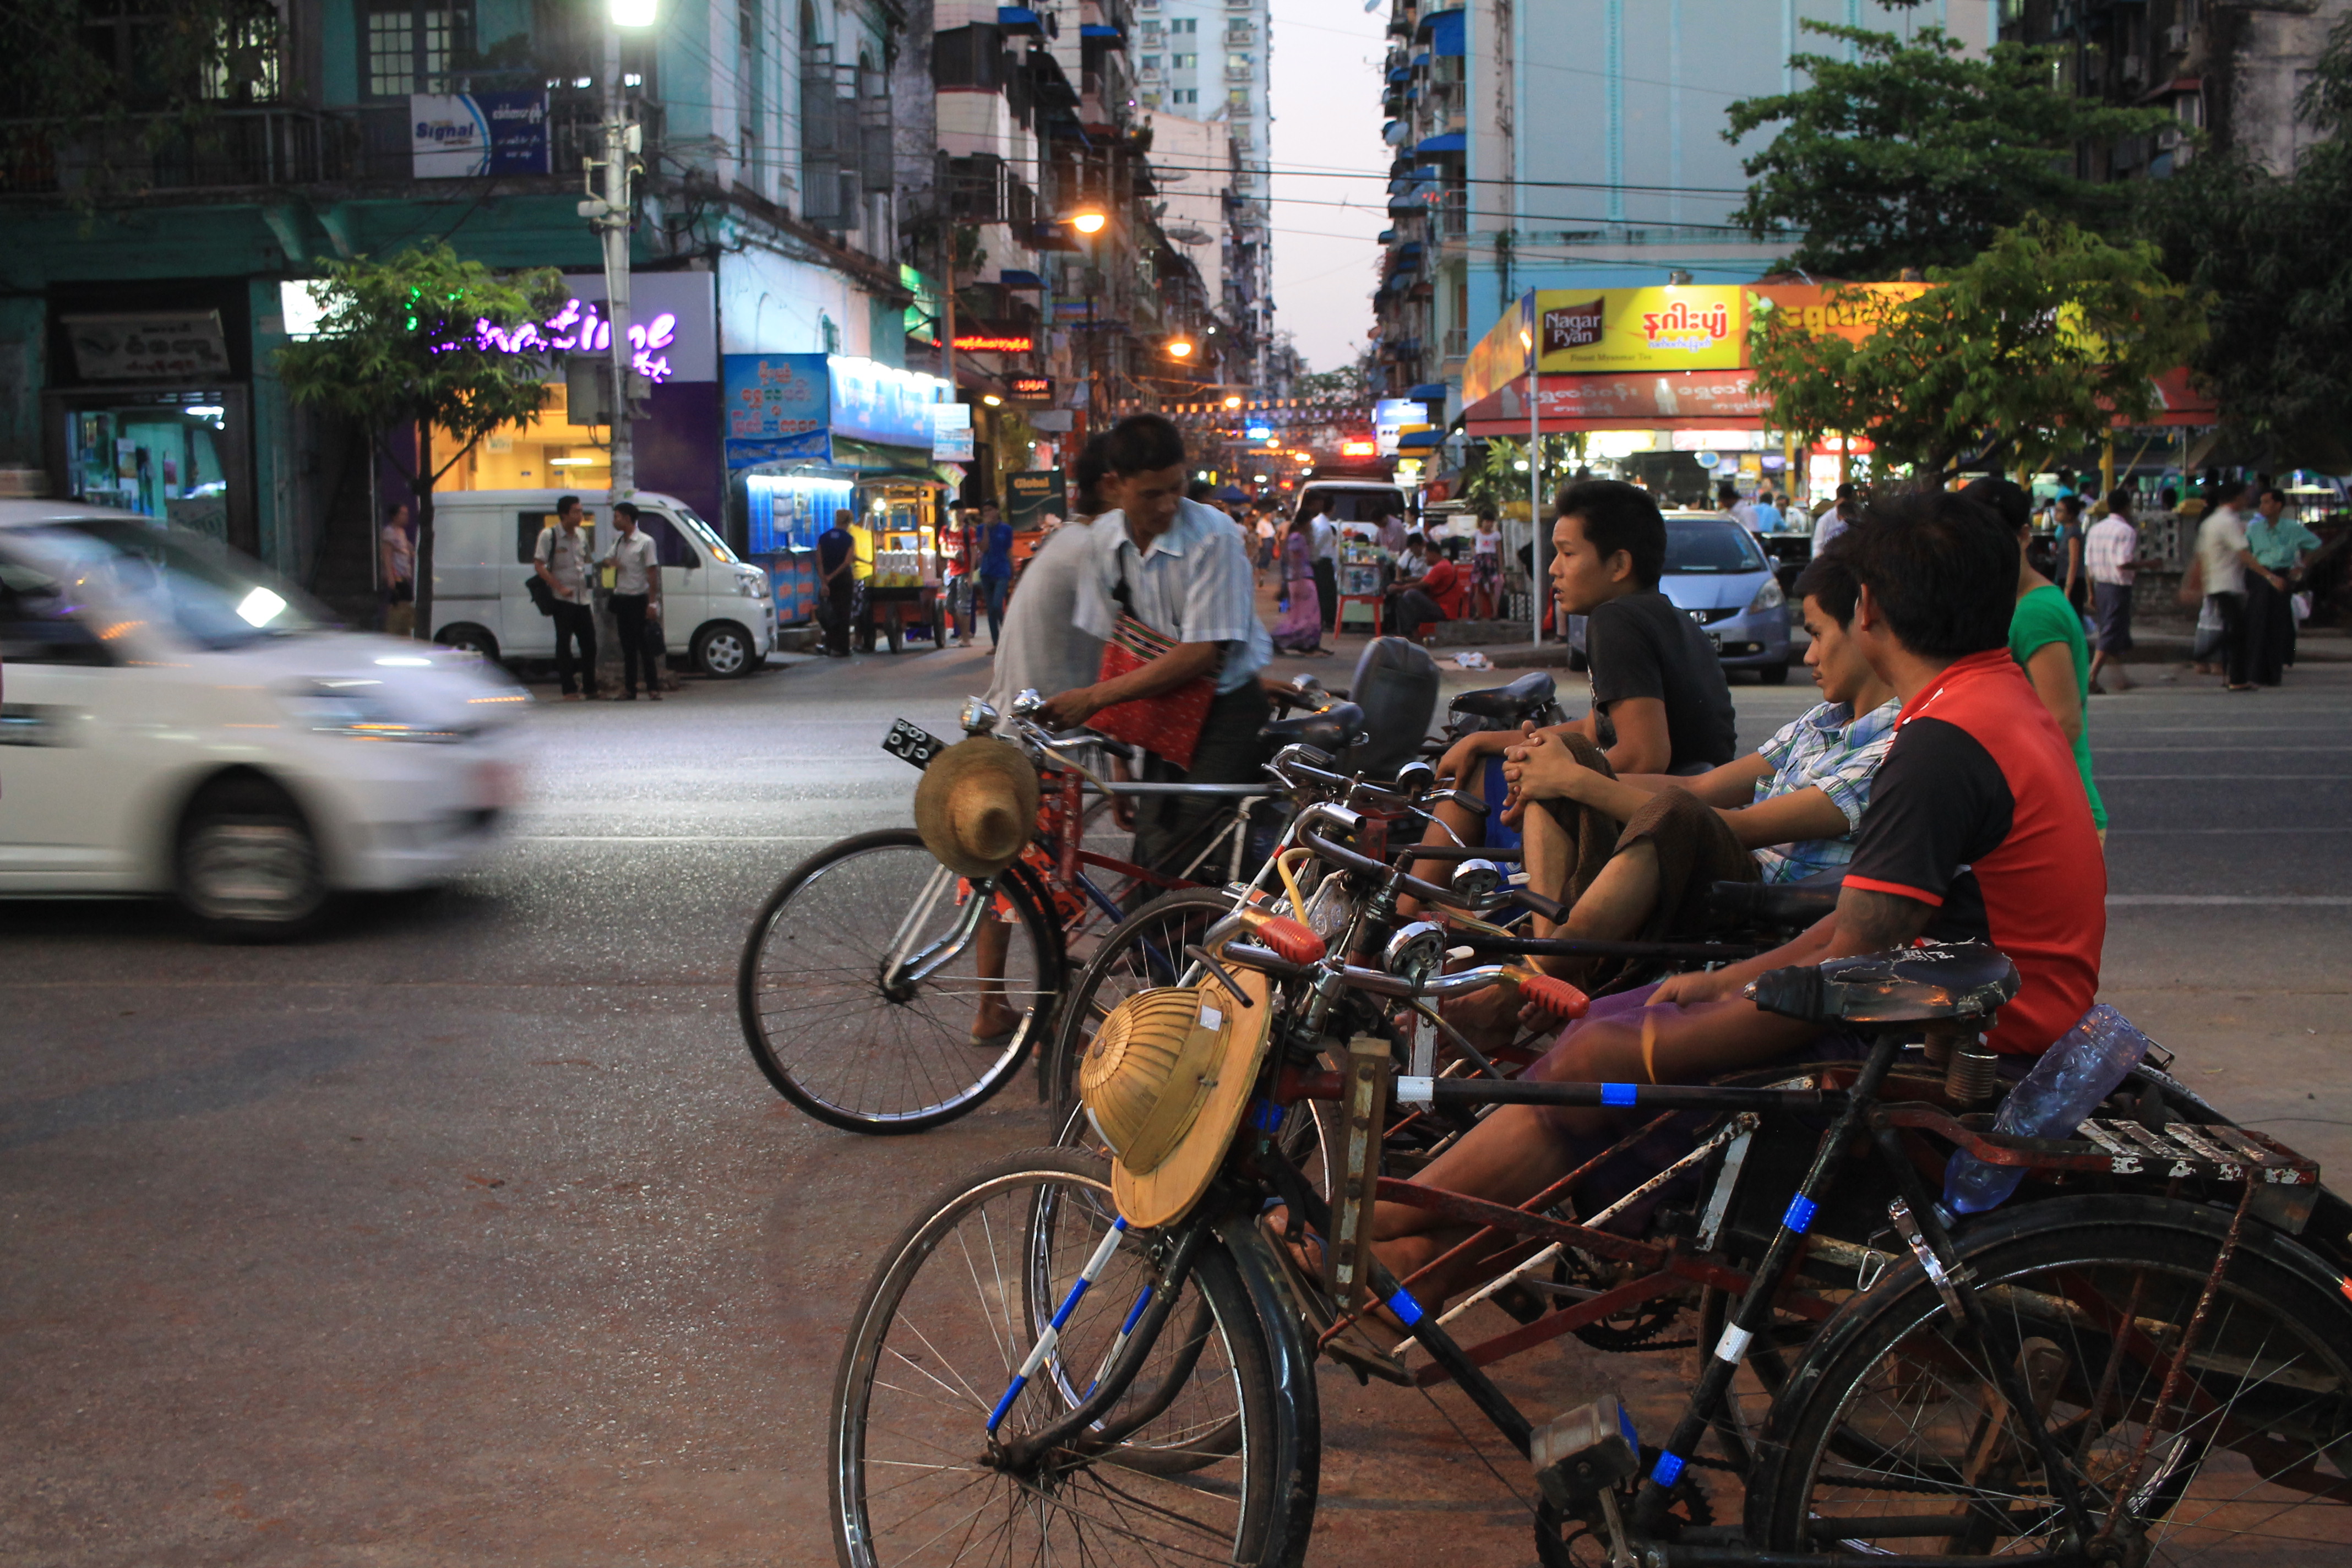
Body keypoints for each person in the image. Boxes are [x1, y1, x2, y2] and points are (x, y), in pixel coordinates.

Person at [1358, 488, 2105, 1312]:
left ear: (1871, 611)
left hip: (1971, 1024)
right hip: (1960, 993)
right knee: (1607, 1030)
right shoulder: (1989, 703)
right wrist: (1717, 986)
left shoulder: (1942, 743)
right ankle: (1414, 1263)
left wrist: (1714, 1002)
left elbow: (1855, 956)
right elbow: (1859, 928)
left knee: (1592, 1057)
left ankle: (1369, 1229)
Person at [1496, 546, 1901, 967]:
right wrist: (1560, 772)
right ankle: (1549, 959)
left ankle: (1544, 969)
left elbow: (1736, 825)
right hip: (1725, 866)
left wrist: (1574, 782)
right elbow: (1704, 786)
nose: (1808, 655)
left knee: (1671, 812)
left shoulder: (1891, 749)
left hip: (1764, 899)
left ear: (1865, 626)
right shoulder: (1821, 721)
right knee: (1567, 754)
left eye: (1817, 635)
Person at [1403, 480, 1737, 906]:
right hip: (1685, 807)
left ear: (1618, 565)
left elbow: (1644, 755)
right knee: (1486, 757)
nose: (1554, 569)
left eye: (1568, 552)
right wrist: (1482, 739)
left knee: (1471, 780)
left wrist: (1552, 779)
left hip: (1652, 815)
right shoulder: (1672, 617)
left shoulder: (1615, 621)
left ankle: (1395, 922)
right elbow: (1602, 732)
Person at [1046, 415, 1276, 880]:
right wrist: (1120, 763)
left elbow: (1200, 654)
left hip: (1225, 711)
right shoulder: (1105, 542)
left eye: (1177, 487)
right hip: (1160, 707)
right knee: (1152, 842)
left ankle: (1179, 948)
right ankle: (1152, 950)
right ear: (1115, 486)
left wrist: (1091, 701)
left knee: (1187, 853)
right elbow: (1116, 653)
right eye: (1152, 494)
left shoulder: (1214, 536)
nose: (1170, 504)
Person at [1972, 477, 2105, 839]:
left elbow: (2064, 722)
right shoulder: (2015, 604)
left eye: (1995, 539)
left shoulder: (2034, 613)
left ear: (2025, 537)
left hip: (2056, 816)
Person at [2245, 487, 2320, 687]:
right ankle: (2255, 671)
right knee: (2257, 623)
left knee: (2277, 624)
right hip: (2262, 575)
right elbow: (2247, 556)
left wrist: (2301, 566)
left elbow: (2315, 545)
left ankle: (2273, 671)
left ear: (2278, 505)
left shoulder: (2292, 528)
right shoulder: (2254, 528)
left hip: (2281, 574)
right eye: (2261, 502)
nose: (2263, 507)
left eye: (2267, 502)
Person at [2196, 481, 2262, 691]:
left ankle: (2229, 673)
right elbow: (2243, 553)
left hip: (2217, 582)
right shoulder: (2229, 521)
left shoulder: (2212, 521)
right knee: (2237, 631)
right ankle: (2232, 675)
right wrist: (2268, 575)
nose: (2247, 500)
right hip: (2227, 583)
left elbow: (2200, 557)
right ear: (2235, 498)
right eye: (2244, 496)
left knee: (2233, 630)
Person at [2083, 488, 2149, 695]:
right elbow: (2123, 562)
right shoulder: (2126, 531)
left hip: (2101, 584)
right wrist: (2149, 564)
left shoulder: (2096, 529)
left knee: (2113, 631)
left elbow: (2088, 564)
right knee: (2111, 632)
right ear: (2127, 506)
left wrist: (2091, 592)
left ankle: (2119, 678)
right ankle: (2091, 677)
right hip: (2117, 587)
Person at [533, 495, 599, 700]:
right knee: (564, 644)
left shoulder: (581, 534)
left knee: (590, 644)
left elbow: (586, 558)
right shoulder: (550, 535)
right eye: (576, 511)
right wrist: (559, 587)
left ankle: (590, 688)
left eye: (581, 511)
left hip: (582, 598)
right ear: (564, 514)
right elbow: (539, 565)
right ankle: (569, 689)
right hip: (562, 599)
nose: (580, 515)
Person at [601, 502, 664, 701]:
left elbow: (652, 573)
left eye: (617, 517)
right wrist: (612, 563)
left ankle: (653, 688)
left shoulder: (645, 542)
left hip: (639, 599)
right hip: (622, 599)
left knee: (645, 647)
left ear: (628, 518)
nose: (615, 521)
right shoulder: (619, 542)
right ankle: (630, 689)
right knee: (627, 647)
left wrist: (652, 603)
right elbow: (606, 560)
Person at [1386, 537, 1467, 641]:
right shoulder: (1444, 565)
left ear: (1433, 554)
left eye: (1426, 555)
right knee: (1403, 599)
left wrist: (1399, 588)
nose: (1425, 559)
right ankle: (1409, 633)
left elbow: (1421, 585)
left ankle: (1411, 634)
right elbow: (1423, 581)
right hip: (1441, 607)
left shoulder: (1441, 567)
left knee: (1410, 594)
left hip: (1445, 610)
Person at [1271, 513, 1329, 655]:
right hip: (1302, 580)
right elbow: (1296, 561)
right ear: (1306, 523)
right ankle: (1280, 639)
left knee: (1301, 616)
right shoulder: (1297, 538)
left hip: (1299, 579)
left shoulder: (1295, 537)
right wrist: (1299, 581)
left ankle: (1303, 643)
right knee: (1307, 616)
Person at [816, 508, 857, 658]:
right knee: (843, 613)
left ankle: (830, 644)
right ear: (849, 521)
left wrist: (825, 581)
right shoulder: (849, 539)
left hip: (827, 581)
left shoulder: (823, 538)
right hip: (844, 580)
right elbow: (847, 562)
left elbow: (819, 561)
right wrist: (834, 575)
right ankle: (842, 648)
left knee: (829, 613)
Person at [976, 501, 1014, 650]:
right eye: (984, 511)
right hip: (987, 571)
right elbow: (984, 548)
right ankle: (996, 644)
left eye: (990, 510)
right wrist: (986, 528)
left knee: (998, 604)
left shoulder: (1006, 529)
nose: (987, 514)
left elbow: (1009, 551)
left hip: (1002, 570)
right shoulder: (980, 529)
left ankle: (1007, 634)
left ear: (997, 511)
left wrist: (1012, 570)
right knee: (991, 610)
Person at [379, 501, 416, 637]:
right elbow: (387, 555)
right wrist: (390, 577)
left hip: (405, 575)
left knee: (404, 603)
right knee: (399, 604)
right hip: (397, 576)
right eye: (403, 514)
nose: (406, 517)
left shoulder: (401, 532)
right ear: (395, 516)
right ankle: (395, 632)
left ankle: (402, 630)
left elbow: (408, 549)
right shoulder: (389, 532)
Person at [1303, 496, 1339, 632]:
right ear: (1332, 507)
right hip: (1322, 562)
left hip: (1318, 561)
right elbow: (1317, 546)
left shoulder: (1317, 522)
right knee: (1326, 592)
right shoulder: (1324, 527)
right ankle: (1326, 619)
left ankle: (1322, 619)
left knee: (1322, 591)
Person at [2050, 493, 2089, 614]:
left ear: (2070, 514)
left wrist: (2068, 590)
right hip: (2065, 580)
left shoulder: (2073, 533)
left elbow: (2074, 562)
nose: (2056, 513)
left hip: (2073, 583)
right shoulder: (2066, 532)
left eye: (2060, 511)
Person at [1469, 507, 1504, 618]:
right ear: (1482, 522)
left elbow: (1499, 551)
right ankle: (1479, 612)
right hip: (1480, 561)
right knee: (1478, 588)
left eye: (1491, 522)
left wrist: (1500, 567)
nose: (1489, 524)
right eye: (1487, 521)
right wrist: (1475, 553)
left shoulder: (1496, 535)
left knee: (1492, 588)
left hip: (1491, 561)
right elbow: (1471, 543)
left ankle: (1495, 613)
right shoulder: (1477, 534)